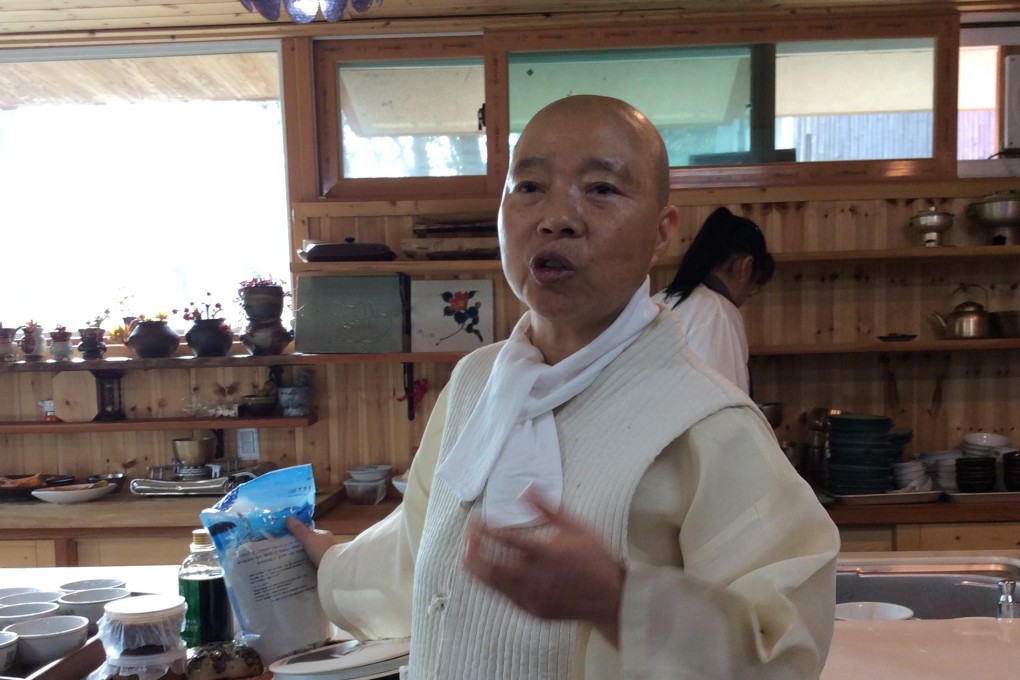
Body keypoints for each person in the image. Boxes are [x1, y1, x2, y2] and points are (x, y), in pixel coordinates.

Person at [287, 94, 839, 679]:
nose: (557, 217)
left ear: (662, 231)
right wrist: (333, 564)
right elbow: (421, 553)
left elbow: (783, 656)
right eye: (528, 187)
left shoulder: (708, 423)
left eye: (601, 189)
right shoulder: (476, 383)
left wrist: (619, 600)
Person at [655, 206, 775, 394]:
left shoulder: (663, 299)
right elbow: (720, 411)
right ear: (745, 267)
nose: (746, 297)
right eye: (754, 288)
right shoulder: (718, 313)